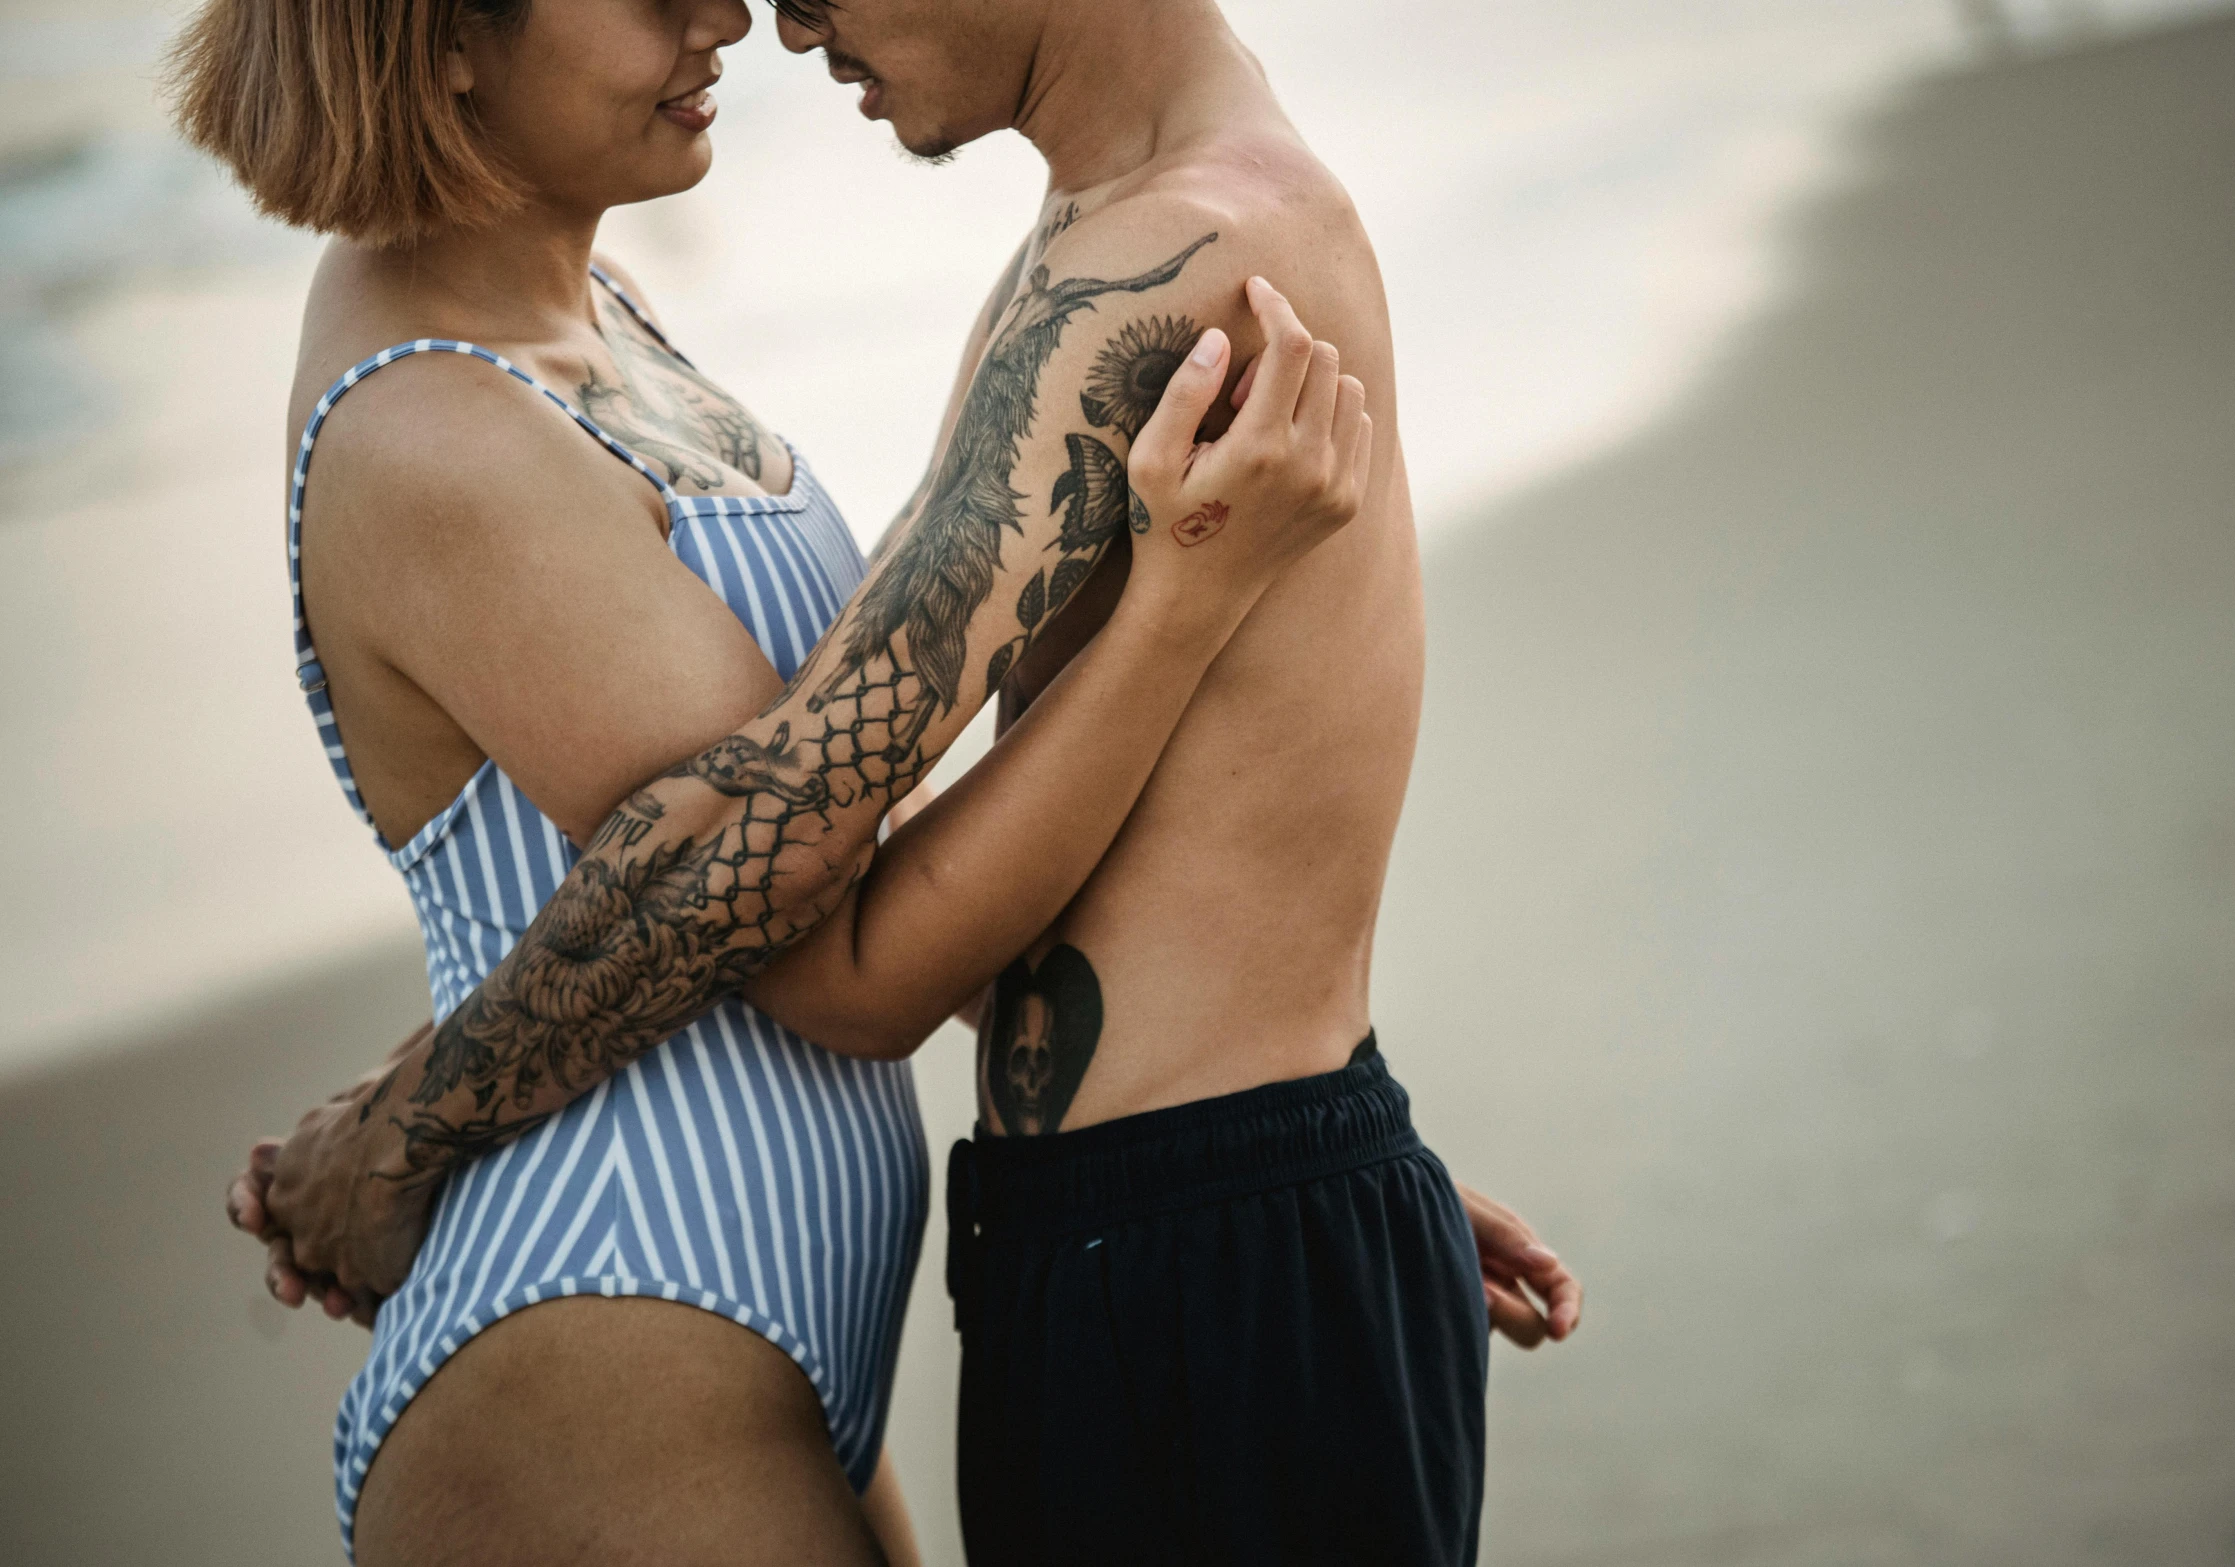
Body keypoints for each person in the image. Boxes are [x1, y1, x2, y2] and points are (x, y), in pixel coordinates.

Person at [210, 0, 1582, 1561]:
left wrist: (1302, 1157)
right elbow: (782, 862)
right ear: (443, 34)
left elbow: (796, 850)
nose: (763, 18)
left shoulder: (1149, 246)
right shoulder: (467, 397)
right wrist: (1285, 1160)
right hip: (665, 1305)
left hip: (1128, 1246)